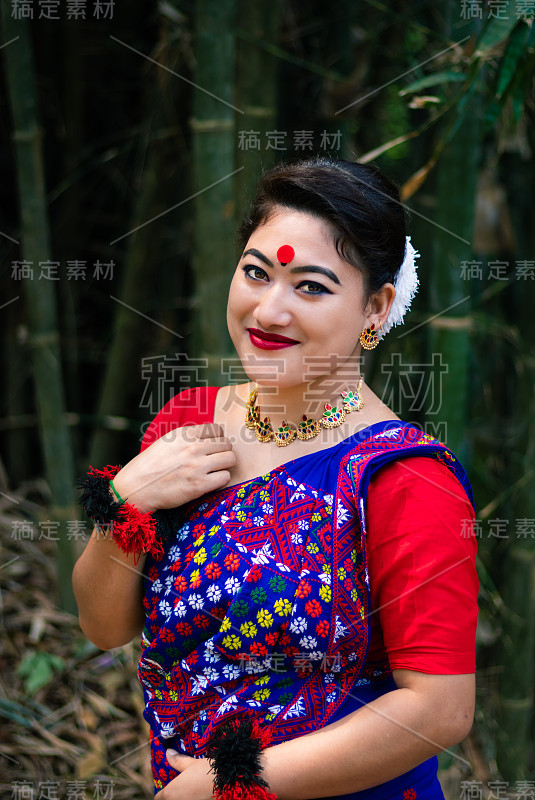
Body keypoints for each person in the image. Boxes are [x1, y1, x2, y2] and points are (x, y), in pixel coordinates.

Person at [73, 157, 478, 800]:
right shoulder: (189, 424)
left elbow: (440, 710)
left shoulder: (406, 479)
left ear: (377, 307)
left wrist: (225, 782)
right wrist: (125, 501)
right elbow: (104, 626)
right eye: (256, 273)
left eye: (310, 287)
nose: (268, 309)